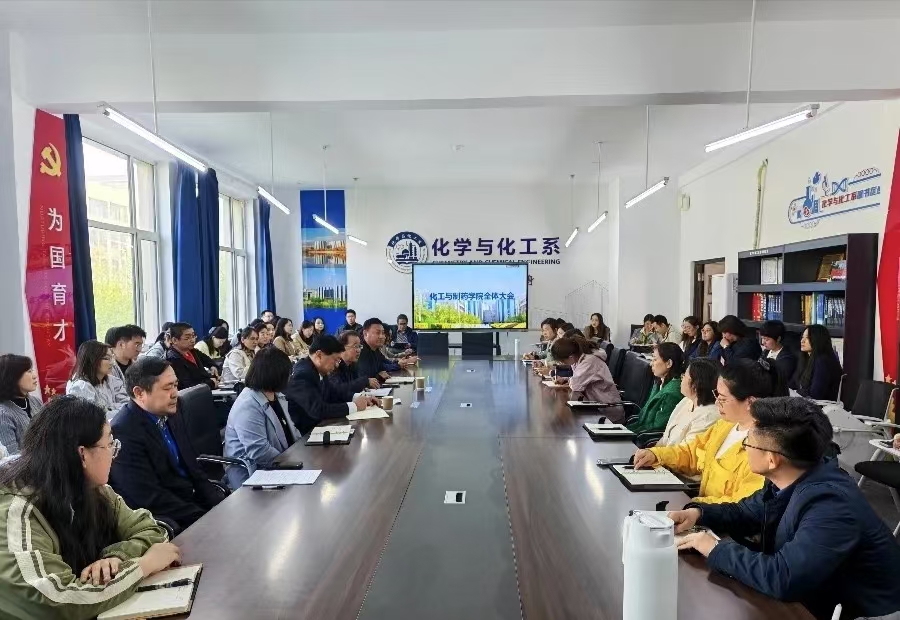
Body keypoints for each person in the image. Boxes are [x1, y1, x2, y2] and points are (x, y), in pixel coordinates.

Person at [670, 397, 900, 620]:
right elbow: (745, 512)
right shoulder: (790, 477)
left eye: (747, 443)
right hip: (820, 597)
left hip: (868, 613)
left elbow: (785, 577)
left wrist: (713, 548)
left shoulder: (831, 505)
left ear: (772, 460)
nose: (744, 448)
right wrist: (698, 513)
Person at [0, 396, 181, 619]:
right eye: (109, 444)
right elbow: (53, 599)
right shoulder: (16, 511)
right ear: (82, 454)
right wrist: (143, 566)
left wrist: (117, 558)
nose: (114, 454)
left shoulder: (95, 490)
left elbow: (150, 529)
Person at [634, 358, 783, 503]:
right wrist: (656, 454)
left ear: (750, 402)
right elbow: (692, 454)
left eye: (723, 398)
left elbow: (741, 505)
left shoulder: (763, 449)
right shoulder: (725, 425)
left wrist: (696, 507)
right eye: (716, 394)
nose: (717, 403)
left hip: (713, 516)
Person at [110, 358, 224, 532]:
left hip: (191, 501)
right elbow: (148, 498)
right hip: (170, 518)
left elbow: (193, 468)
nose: (175, 393)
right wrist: (202, 518)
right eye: (167, 388)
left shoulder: (172, 411)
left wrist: (219, 504)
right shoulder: (124, 431)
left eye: (175, 385)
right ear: (139, 393)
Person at [223, 347, 300, 489]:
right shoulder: (248, 404)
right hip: (253, 472)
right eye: (287, 374)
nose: (290, 377)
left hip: (281, 463)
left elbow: (292, 431)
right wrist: (292, 463)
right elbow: (259, 451)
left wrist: (300, 454)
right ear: (275, 375)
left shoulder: (277, 396)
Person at [284, 335, 376, 434]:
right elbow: (317, 410)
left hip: (322, 426)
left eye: (339, 360)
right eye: (335, 359)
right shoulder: (302, 374)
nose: (337, 364)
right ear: (319, 355)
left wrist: (360, 397)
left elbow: (333, 392)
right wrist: (354, 406)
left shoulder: (318, 368)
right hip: (307, 434)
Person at [625, 343, 685, 442]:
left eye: (655, 359)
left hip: (645, 440)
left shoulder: (672, 393)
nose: (651, 364)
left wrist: (625, 434)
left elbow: (657, 428)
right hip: (639, 433)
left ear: (669, 363)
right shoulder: (659, 383)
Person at [656, 358, 720, 447]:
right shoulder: (687, 400)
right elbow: (665, 438)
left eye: (684, 376)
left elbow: (684, 451)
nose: (681, 380)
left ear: (695, 385)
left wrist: (655, 454)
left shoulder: (707, 417)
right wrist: (650, 452)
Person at [550, 336, 620, 414]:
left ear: (571, 357)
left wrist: (570, 380)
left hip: (606, 409)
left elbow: (576, 385)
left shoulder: (589, 361)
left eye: (562, 361)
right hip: (594, 404)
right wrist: (566, 379)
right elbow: (579, 379)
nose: (562, 363)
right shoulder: (578, 358)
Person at [66, 340, 128, 413]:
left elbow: (127, 405)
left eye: (112, 357)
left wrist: (109, 409)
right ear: (93, 360)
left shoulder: (113, 381)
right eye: (107, 358)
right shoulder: (81, 387)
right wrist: (114, 407)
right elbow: (95, 416)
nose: (112, 363)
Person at [0, 354, 43, 455]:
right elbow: (12, 457)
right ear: (13, 377)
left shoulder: (36, 402)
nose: (34, 376)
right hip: (26, 464)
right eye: (29, 371)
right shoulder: (3, 414)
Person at [790, 324, 843, 401]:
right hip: (804, 401)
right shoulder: (805, 358)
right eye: (802, 337)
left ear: (818, 339)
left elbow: (815, 394)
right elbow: (793, 383)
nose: (802, 341)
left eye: (807, 338)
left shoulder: (822, 361)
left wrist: (796, 392)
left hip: (820, 405)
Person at [329, 330, 381, 400]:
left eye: (359, 346)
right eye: (355, 346)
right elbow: (337, 390)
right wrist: (364, 382)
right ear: (342, 348)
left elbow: (352, 387)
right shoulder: (333, 366)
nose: (359, 350)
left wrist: (362, 388)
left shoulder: (352, 365)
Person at [165, 322, 218, 390]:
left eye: (193, 336)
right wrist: (211, 383)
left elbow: (209, 361)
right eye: (187, 338)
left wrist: (213, 366)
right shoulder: (173, 359)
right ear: (174, 340)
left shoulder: (192, 351)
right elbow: (187, 386)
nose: (192, 340)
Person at [758, 320, 797, 387]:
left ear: (778, 339)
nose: (763, 342)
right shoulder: (766, 352)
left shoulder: (787, 359)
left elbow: (778, 380)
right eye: (762, 338)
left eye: (766, 339)